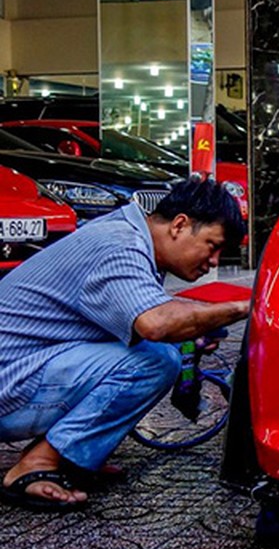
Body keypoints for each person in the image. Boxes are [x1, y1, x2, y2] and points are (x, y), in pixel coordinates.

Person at [0, 178, 249, 511]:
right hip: (10, 385)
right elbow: (156, 323)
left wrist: (197, 325)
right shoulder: (119, 246)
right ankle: (36, 464)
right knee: (156, 360)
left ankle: (72, 454)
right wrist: (247, 307)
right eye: (211, 245)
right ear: (179, 225)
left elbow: (157, 315)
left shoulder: (128, 235)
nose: (214, 261)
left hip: (25, 371)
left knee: (164, 348)